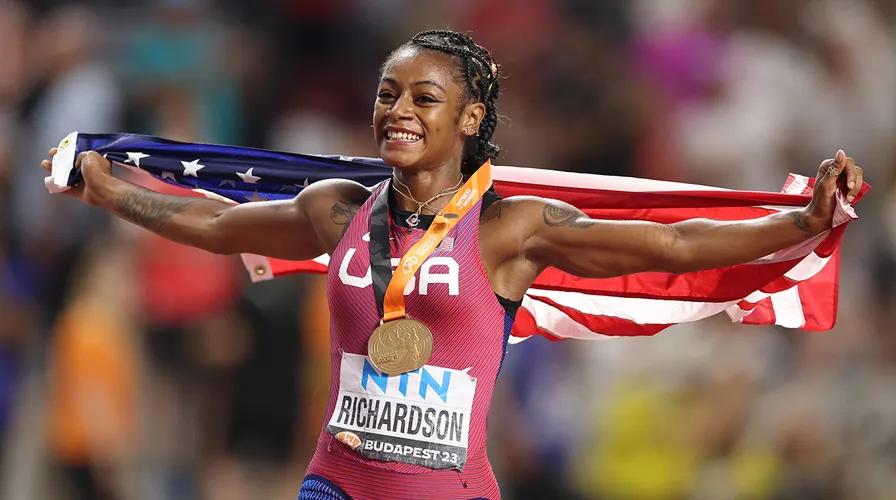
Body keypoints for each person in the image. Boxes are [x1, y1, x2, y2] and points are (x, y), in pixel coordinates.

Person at [41, 29, 863, 500]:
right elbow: (219, 226)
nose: (396, 112)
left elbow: (673, 247)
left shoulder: (511, 231)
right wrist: (117, 195)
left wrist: (800, 218)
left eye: (422, 98)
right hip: (337, 484)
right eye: (387, 94)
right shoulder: (339, 209)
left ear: (470, 117)